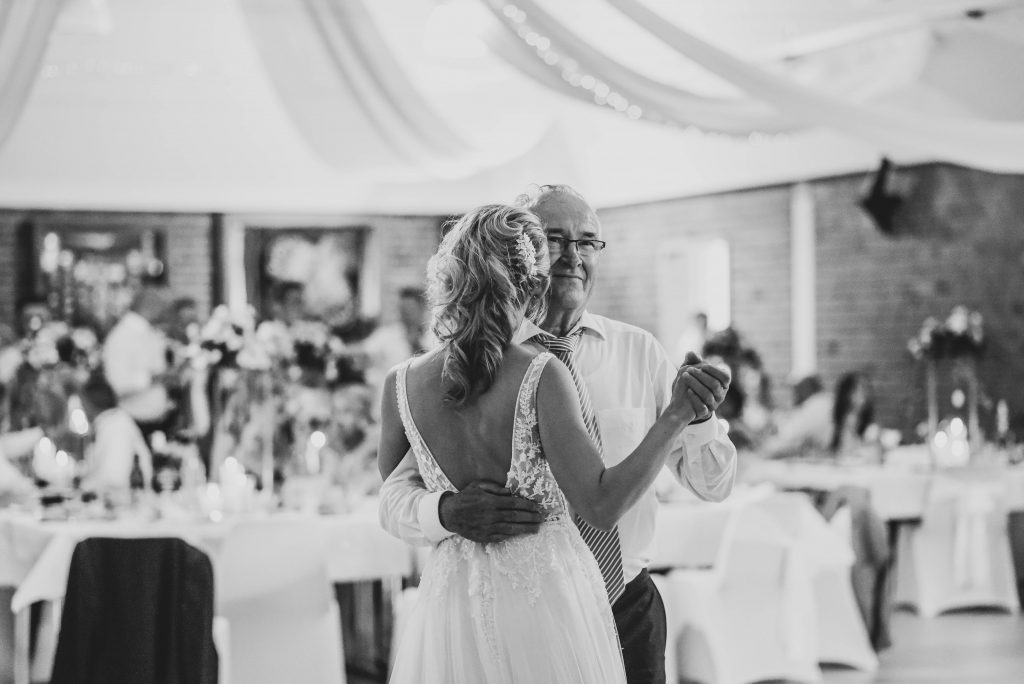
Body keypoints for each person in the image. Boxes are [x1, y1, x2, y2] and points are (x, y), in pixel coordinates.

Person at [380, 186, 736, 684]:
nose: (572, 256)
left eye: (588, 242)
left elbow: (714, 486)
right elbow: (394, 493)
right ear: (525, 259)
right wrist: (444, 512)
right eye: (555, 239)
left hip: (626, 601)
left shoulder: (641, 351)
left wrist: (695, 416)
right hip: (518, 610)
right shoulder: (491, 370)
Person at [103, 287, 174, 443]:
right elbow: (119, 384)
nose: (163, 313)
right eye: (161, 307)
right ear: (148, 307)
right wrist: (153, 378)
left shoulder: (150, 333)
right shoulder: (121, 337)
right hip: (135, 423)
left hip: (159, 421)